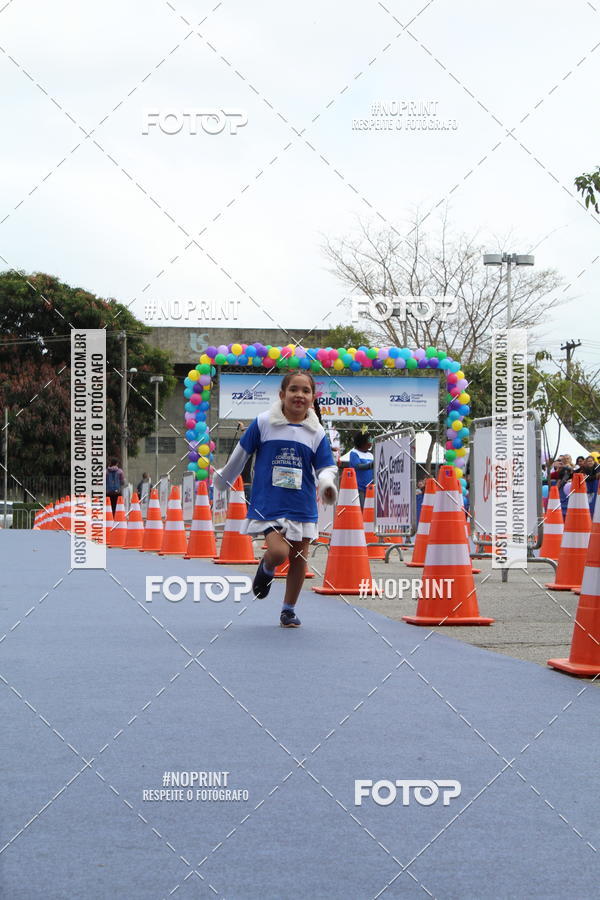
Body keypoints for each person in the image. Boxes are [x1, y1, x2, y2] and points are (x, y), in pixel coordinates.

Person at [213, 372, 338, 628]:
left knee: (299, 559)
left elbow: (326, 466)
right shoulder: (263, 423)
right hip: (269, 501)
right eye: (294, 389)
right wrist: (223, 480)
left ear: (313, 398)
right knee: (280, 552)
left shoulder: (316, 432)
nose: (299, 395)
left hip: (301, 504)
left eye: (305, 391)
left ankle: (288, 609)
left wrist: (326, 484)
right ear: (282, 395)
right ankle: (267, 567)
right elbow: (241, 455)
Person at [349, 432, 374, 509]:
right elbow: (357, 466)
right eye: (369, 440)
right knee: (361, 509)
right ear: (362, 442)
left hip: (370, 487)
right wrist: (370, 465)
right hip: (359, 488)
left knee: (370, 510)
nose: (371, 442)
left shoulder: (370, 455)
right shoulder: (354, 453)